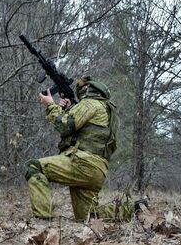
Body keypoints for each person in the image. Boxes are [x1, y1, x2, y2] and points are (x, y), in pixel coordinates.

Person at [24, 76, 145, 222]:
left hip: (82, 164)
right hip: (97, 171)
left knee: (34, 167)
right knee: (89, 218)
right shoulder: (108, 111)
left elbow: (64, 126)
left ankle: (42, 221)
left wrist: (51, 105)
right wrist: (69, 109)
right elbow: (87, 132)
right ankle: (135, 209)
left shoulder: (90, 103)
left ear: (88, 90)